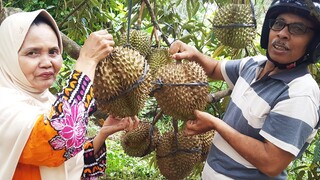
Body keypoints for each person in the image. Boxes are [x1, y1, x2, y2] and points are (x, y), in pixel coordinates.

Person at [169, 0, 320, 179]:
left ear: (314, 43)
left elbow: (271, 163)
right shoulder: (253, 64)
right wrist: (193, 53)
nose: (282, 33)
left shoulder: (301, 94)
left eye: (298, 29)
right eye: (278, 24)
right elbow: (215, 68)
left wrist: (215, 124)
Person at [0, 9, 137, 179]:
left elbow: (64, 163)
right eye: (32, 53)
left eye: (53, 52)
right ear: (7, 56)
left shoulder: (50, 102)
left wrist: (102, 134)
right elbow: (57, 140)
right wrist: (87, 61)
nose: (47, 62)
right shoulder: (4, 104)